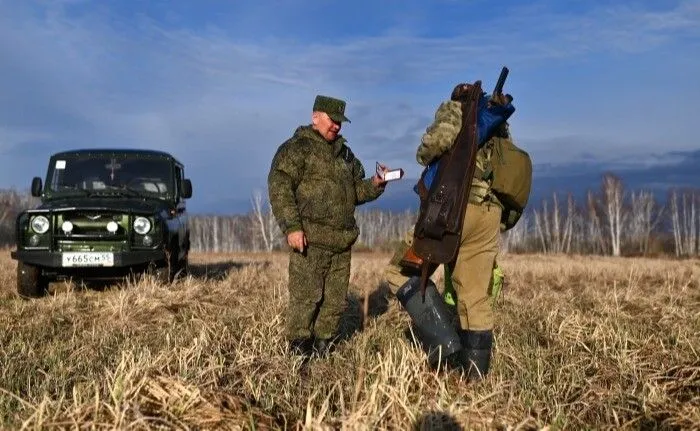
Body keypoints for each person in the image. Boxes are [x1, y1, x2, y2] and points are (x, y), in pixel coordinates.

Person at [383, 83, 516, 381]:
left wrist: (423, 150)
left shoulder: (456, 109)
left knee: (399, 272)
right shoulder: (499, 127)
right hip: (489, 213)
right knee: (474, 295)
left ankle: (447, 347)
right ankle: (474, 378)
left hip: (452, 210)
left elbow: (436, 143)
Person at [268, 95, 389, 357]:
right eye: (332, 121)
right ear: (315, 117)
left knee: (334, 302)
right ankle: (298, 353)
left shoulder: (345, 155)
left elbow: (356, 191)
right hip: (309, 241)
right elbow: (279, 187)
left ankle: (324, 350)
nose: (337, 126)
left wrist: (377, 184)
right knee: (306, 299)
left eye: (340, 122)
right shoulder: (296, 149)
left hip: (341, 242)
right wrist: (292, 227)